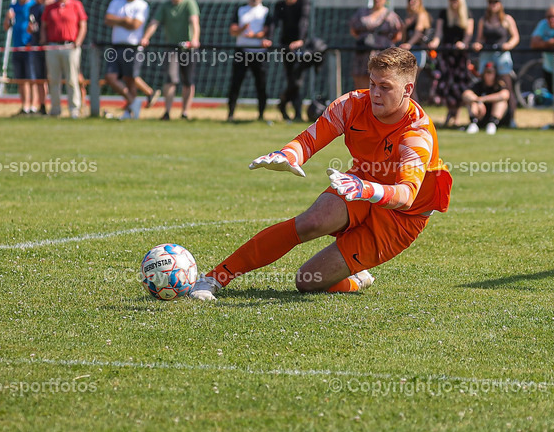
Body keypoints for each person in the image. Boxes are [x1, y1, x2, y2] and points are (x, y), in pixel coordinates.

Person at [189, 47, 453, 302]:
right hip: (360, 183)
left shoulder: (416, 133)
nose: (375, 93)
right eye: (372, 83)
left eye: (385, 87)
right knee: (311, 222)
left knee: (306, 281)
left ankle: (356, 279)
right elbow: (310, 139)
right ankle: (214, 278)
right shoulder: (352, 104)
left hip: (403, 217)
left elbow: (405, 195)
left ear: (408, 89)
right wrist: (288, 155)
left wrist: (367, 189)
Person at [146, 0, 200, 121]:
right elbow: (154, 23)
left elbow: (194, 22)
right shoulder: (165, 6)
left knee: (188, 81)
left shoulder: (189, 3)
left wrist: (195, 39)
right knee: (170, 79)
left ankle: (185, 112)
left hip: (188, 48)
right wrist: (146, 37)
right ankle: (167, 112)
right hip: (171, 47)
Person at [105, 0, 159, 118]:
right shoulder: (116, 2)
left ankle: (131, 111)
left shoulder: (142, 5)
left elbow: (135, 25)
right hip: (116, 46)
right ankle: (134, 101)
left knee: (130, 79)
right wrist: (125, 20)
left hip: (133, 48)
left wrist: (119, 20)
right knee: (110, 77)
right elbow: (108, 19)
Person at [42, 0, 88, 118]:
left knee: (72, 79)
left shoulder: (76, 5)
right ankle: (55, 109)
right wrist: (44, 41)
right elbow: (44, 26)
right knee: (53, 80)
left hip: (70, 46)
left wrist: (78, 42)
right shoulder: (50, 7)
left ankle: (74, 109)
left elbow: (83, 25)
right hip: (53, 47)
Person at [228, 0, 273, 121]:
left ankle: (261, 115)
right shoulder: (241, 10)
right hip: (242, 51)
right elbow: (233, 30)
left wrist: (253, 35)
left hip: (259, 53)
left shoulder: (265, 12)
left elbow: (266, 32)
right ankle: (230, 114)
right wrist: (242, 29)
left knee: (261, 85)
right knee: (235, 83)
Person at [472, 0, 520, 121]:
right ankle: (479, 116)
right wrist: (477, 44)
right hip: (487, 54)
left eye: (495, 2)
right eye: (490, 2)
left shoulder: (507, 19)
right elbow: (479, 39)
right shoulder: (483, 20)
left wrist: (508, 45)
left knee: (507, 86)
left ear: (500, 4)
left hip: (501, 54)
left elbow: (515, 37)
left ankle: (512, 118)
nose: (493, 5)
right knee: (482, 82)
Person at [431, 0, 474, 128]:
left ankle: (457, 115)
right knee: (446, 84)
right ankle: (450, 112)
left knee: (459, 84)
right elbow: (438, 33)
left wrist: (463, 43)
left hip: (460, 55)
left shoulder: (467, 14)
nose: (453, 2)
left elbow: (468, 34)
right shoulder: (444, 13)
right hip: (447, 53)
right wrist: (434, 42)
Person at [348, 0, 403, 90]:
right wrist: (365, 39)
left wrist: (382, 42)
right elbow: (353, 30)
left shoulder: (391, 15)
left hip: (382, 53)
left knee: (382, 79)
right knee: (360, 81)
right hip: (363, 52)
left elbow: (398, 35)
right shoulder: (362, 13)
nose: (377, 0)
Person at [272, 0, 311, 122]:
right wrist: (269, 39)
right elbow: (274, 23)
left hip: (302, 46)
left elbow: (304, 21)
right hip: (286, 47)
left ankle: (285, 104)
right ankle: (295, 112)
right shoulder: (280, 5)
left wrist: (300, 40)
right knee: (292, 79)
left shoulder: (303, 2)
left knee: (297, 80)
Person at [5, 0, 40, 115]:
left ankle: (34, 106)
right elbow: (6, 27)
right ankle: (25, 106)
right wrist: (8, 19)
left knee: (32, 78)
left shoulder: (33, 6)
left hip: (30, 47)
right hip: (17, 47)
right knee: (21, 78)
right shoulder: (13, 7)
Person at [398, 0, 435, 103]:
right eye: (410, 0)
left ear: (420, 2)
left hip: (418, 51)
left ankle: (416, 109)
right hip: (408, 52)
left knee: (410, 83)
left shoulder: (421, 15)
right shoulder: (409, 17)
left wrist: (409, 44)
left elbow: (418, 33)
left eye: (415, 0)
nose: (412, 2)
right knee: (407, 82)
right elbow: (403, 37)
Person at [462, 62, 510, 135]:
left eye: (490, 72)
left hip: (495, 116)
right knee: (471, 102)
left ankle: (492, 124)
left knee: (501, 102)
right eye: (486, 72)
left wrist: (483, 99)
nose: (488, 75)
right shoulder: (479, 84)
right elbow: (465, 94)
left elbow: (505, 95)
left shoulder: (499, 85)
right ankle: (474, 123)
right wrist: (478, 101)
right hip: (481, 115)